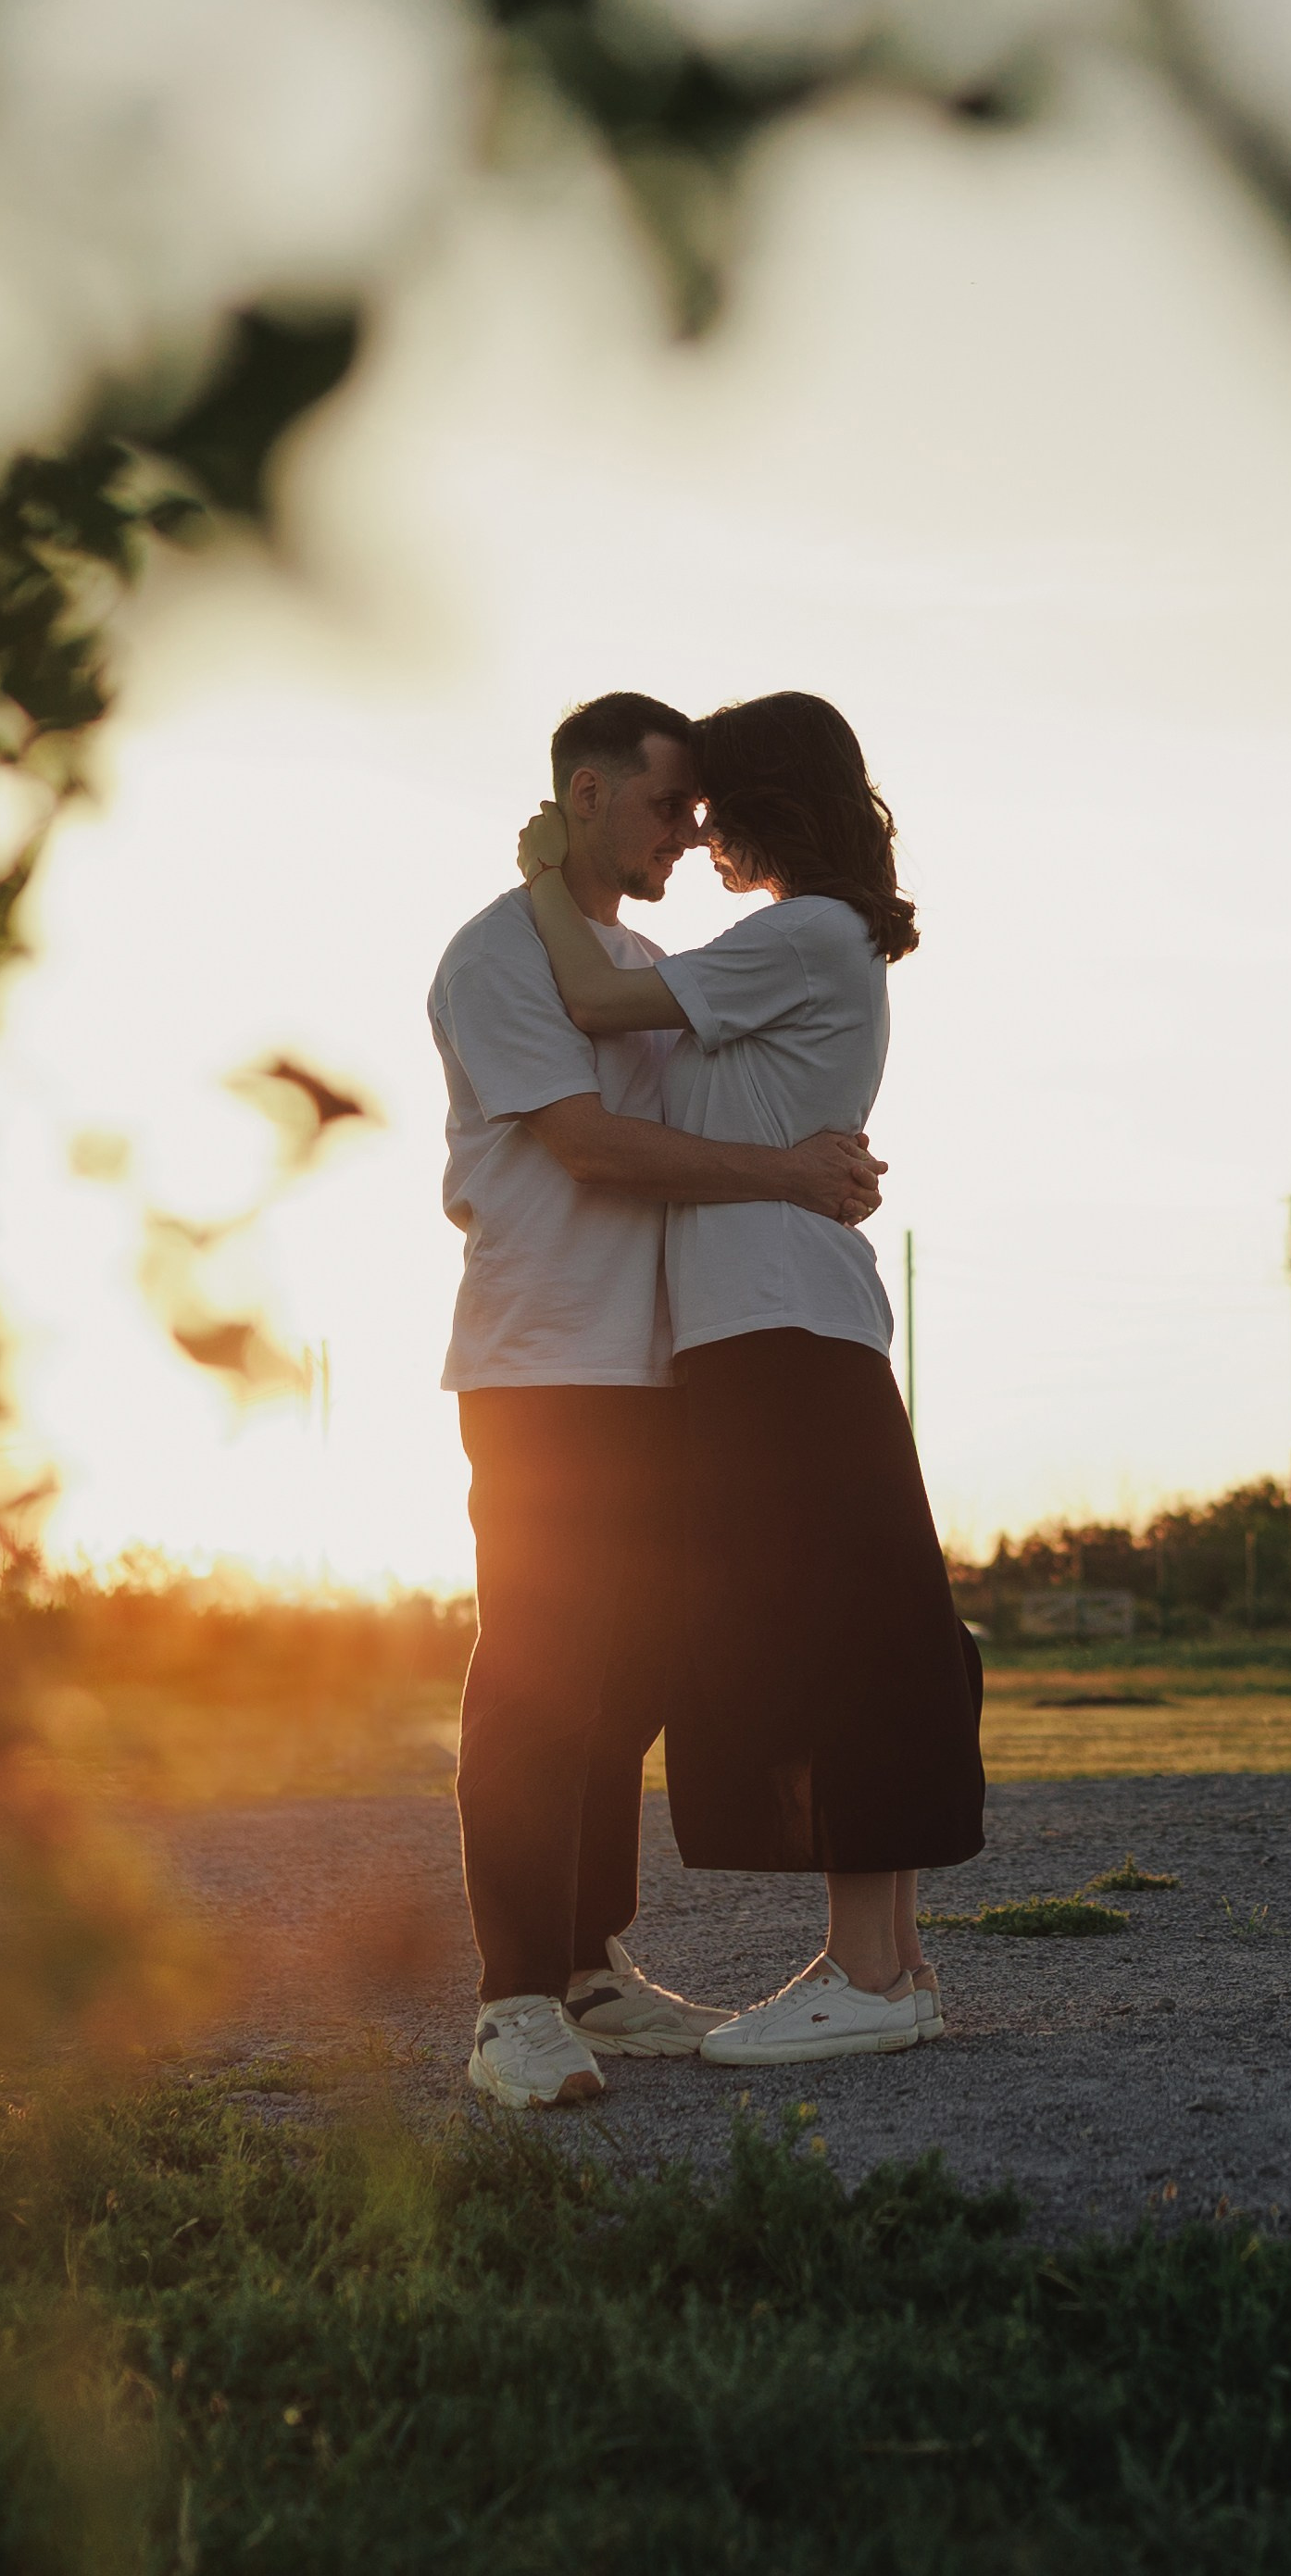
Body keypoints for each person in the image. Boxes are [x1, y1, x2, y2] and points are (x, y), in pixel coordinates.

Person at [432, 691, 886, 2110]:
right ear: (586, 795)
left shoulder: (634, 960)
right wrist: (790, 1176)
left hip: (661, 1368)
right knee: (538, 1673)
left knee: (633, 1677)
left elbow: (718, 1098)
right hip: (544, 1362)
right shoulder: (500, 955)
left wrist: (813, 1157)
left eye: (699, 811)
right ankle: (512, 2007)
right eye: (666, 807)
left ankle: (586, 1968)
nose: (692, 832)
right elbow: (589, 1148)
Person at [519, 690, 984, 2065]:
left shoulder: (802, 932)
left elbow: (596, 996)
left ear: (772, 803)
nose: (702, 829)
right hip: (781, 1321)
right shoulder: (815, 938)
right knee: (854, 1623)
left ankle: (869, 1973)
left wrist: (542, 878)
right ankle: (887, 1969)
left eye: (715, 805)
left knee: (843, 1634)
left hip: (775, 1325)